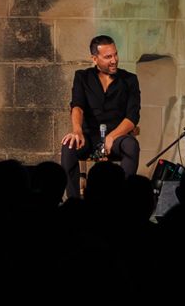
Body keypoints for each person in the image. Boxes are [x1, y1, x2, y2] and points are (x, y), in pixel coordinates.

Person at [60, 34, 141, 198]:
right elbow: (77, 106)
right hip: (90, 137)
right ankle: (73, 201)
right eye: (108, 57)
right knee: (69, 145)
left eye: (115, 54)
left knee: (131, 145)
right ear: (95, 59)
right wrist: (77, 131)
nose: (114, 60)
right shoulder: (82, 77)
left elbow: (132, 117)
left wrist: (113, 136)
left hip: (117, 137)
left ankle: (120, 199)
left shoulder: (129, 80)